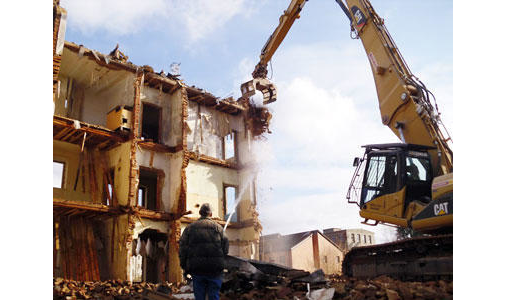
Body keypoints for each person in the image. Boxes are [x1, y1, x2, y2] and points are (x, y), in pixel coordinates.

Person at [179, 203, 229, 300]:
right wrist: (220, 260)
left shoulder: (189, 228)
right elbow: (225, 248)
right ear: (210, 214)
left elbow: (182, 249)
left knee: (199, 296)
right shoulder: (218, 228)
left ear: (200, 213)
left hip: (197, 269)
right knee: (214, 295)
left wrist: (184, 266)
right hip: (215, 269)